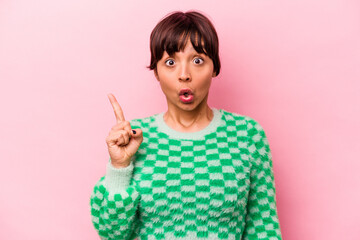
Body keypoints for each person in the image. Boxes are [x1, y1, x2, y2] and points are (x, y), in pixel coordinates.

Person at [90, 10, 282, 240]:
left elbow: (264, 230)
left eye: (198, 60)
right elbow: (111, 234)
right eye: (170, 62)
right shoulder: (133, 137)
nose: (184, 74)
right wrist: (119, 167)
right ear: (157, 73)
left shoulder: (247, 135)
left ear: (214, 67)